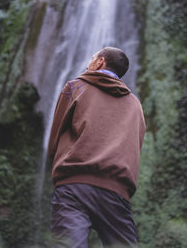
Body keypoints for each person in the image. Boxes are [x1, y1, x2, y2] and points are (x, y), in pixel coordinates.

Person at [48, 46, 146, 248]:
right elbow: (136, 145)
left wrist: (57, 164)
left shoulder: (75, 87)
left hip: (73, 185)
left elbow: (55, 135)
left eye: (92, 58)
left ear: (100, 62)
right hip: (116, 191)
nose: (88, 63)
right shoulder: (135, 104)